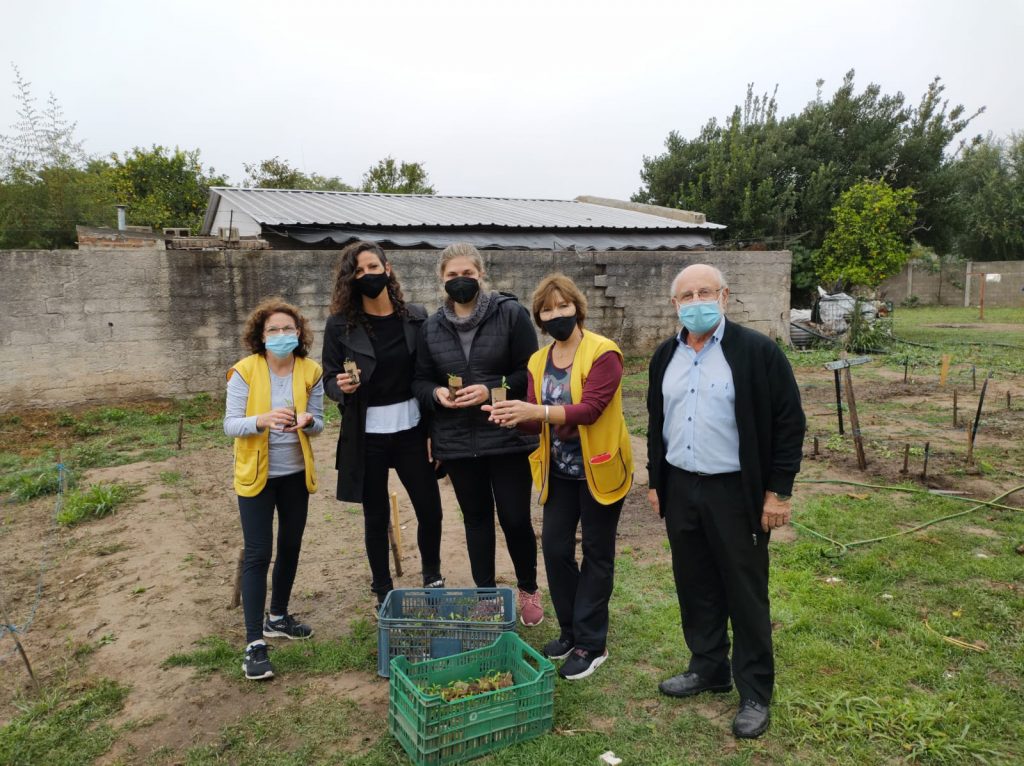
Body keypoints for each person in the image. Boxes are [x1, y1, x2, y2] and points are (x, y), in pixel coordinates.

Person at [646, 264, 805, 737]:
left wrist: (778, 491)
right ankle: (708, 666)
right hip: (681, 486)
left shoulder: (756, 351)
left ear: (724, 296)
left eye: (705, 292)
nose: (696, 302)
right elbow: (657, 421)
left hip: (736, 490)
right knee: (694, 582)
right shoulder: (665, 355)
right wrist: (656, 481)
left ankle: (754, 690)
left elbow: (788, 422)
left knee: (744, 589)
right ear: (674, 304)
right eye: (687, 295)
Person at [486, 273, 632, 680]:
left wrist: (535, 411)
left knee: (597, 554)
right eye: (547, 310)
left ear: (577, 308)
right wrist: (512, 416)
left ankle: (592, 643)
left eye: (563, 306)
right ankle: (570, 630)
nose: (556, 315)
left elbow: (591, 410)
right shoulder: (538, 361)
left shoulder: (604, 352)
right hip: (560, 471)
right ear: (539, 318)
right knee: (554, 549)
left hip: (599, 468)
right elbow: (538, 421)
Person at [412, 242, 544, 626]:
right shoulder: (431, 328)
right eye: (452, 275)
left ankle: (528, 589)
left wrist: (491, 389)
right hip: (457, 440)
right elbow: (420, 380)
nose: (461, 280)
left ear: (481, 274)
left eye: (467, 273)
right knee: (476, 520)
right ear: (441, 279)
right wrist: (436, 394)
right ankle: (486, 595)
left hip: (506, 434)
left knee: (515, 518)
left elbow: (529, 372)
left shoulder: (510, 314)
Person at [322, 241, 445, 613]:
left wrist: (433, 433)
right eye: (358, 271)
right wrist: (339, 388)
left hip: (412, 429)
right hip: (366, 434)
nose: (367, 275)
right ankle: (383, 591)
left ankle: (432, 578)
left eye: (372, 267)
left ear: (387, 269)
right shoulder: (340, 325)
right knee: (375, 516)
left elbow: (430, 374)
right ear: (350, 279)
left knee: (430, 509)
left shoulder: (417, 318)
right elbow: (328, 377)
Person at [224, 297, 324, 681]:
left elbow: (319, 424)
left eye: (288, 328)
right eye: (273, 330)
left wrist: (309, 421)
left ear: (299, 333)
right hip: (256, 476)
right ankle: (254, 643)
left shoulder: (311, 371)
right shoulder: (244, 371)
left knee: (291, 545)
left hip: (295, 473)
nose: (281, 335)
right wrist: (261, 420)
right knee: (258, 552)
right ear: (261, 336)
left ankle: (278, 617)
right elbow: (230, 424)